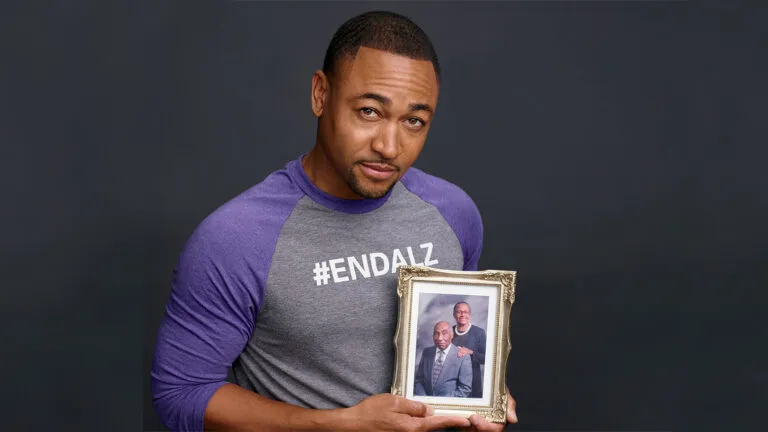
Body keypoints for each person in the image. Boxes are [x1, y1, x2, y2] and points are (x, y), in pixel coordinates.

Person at [151, 10, 517, 432]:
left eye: (414, 121)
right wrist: (338, 425)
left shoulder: (454, 213)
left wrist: (481, 393)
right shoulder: (235, 238)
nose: (389, 146)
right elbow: (180, 395)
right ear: (321, 95)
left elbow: (452, 342)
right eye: (369, 112)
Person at [414, 321, 473, 397]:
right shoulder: (427, 352)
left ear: (452, 335)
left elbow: (465, 389)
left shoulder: (463, 356)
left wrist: (441, 402)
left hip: (448, 405)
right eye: (436, 333)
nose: (439, 338)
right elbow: (419, 381)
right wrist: (424, 398)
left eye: (444, 333)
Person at [452, 302, 487, 398]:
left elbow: (486, 359)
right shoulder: (449, 332)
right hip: (452, 382)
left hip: (473, 383)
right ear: (454, 315)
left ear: (470, 315)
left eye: (465, 312)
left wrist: (470, 352)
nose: (462, 314)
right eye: (459, 312)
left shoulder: (479, 333)